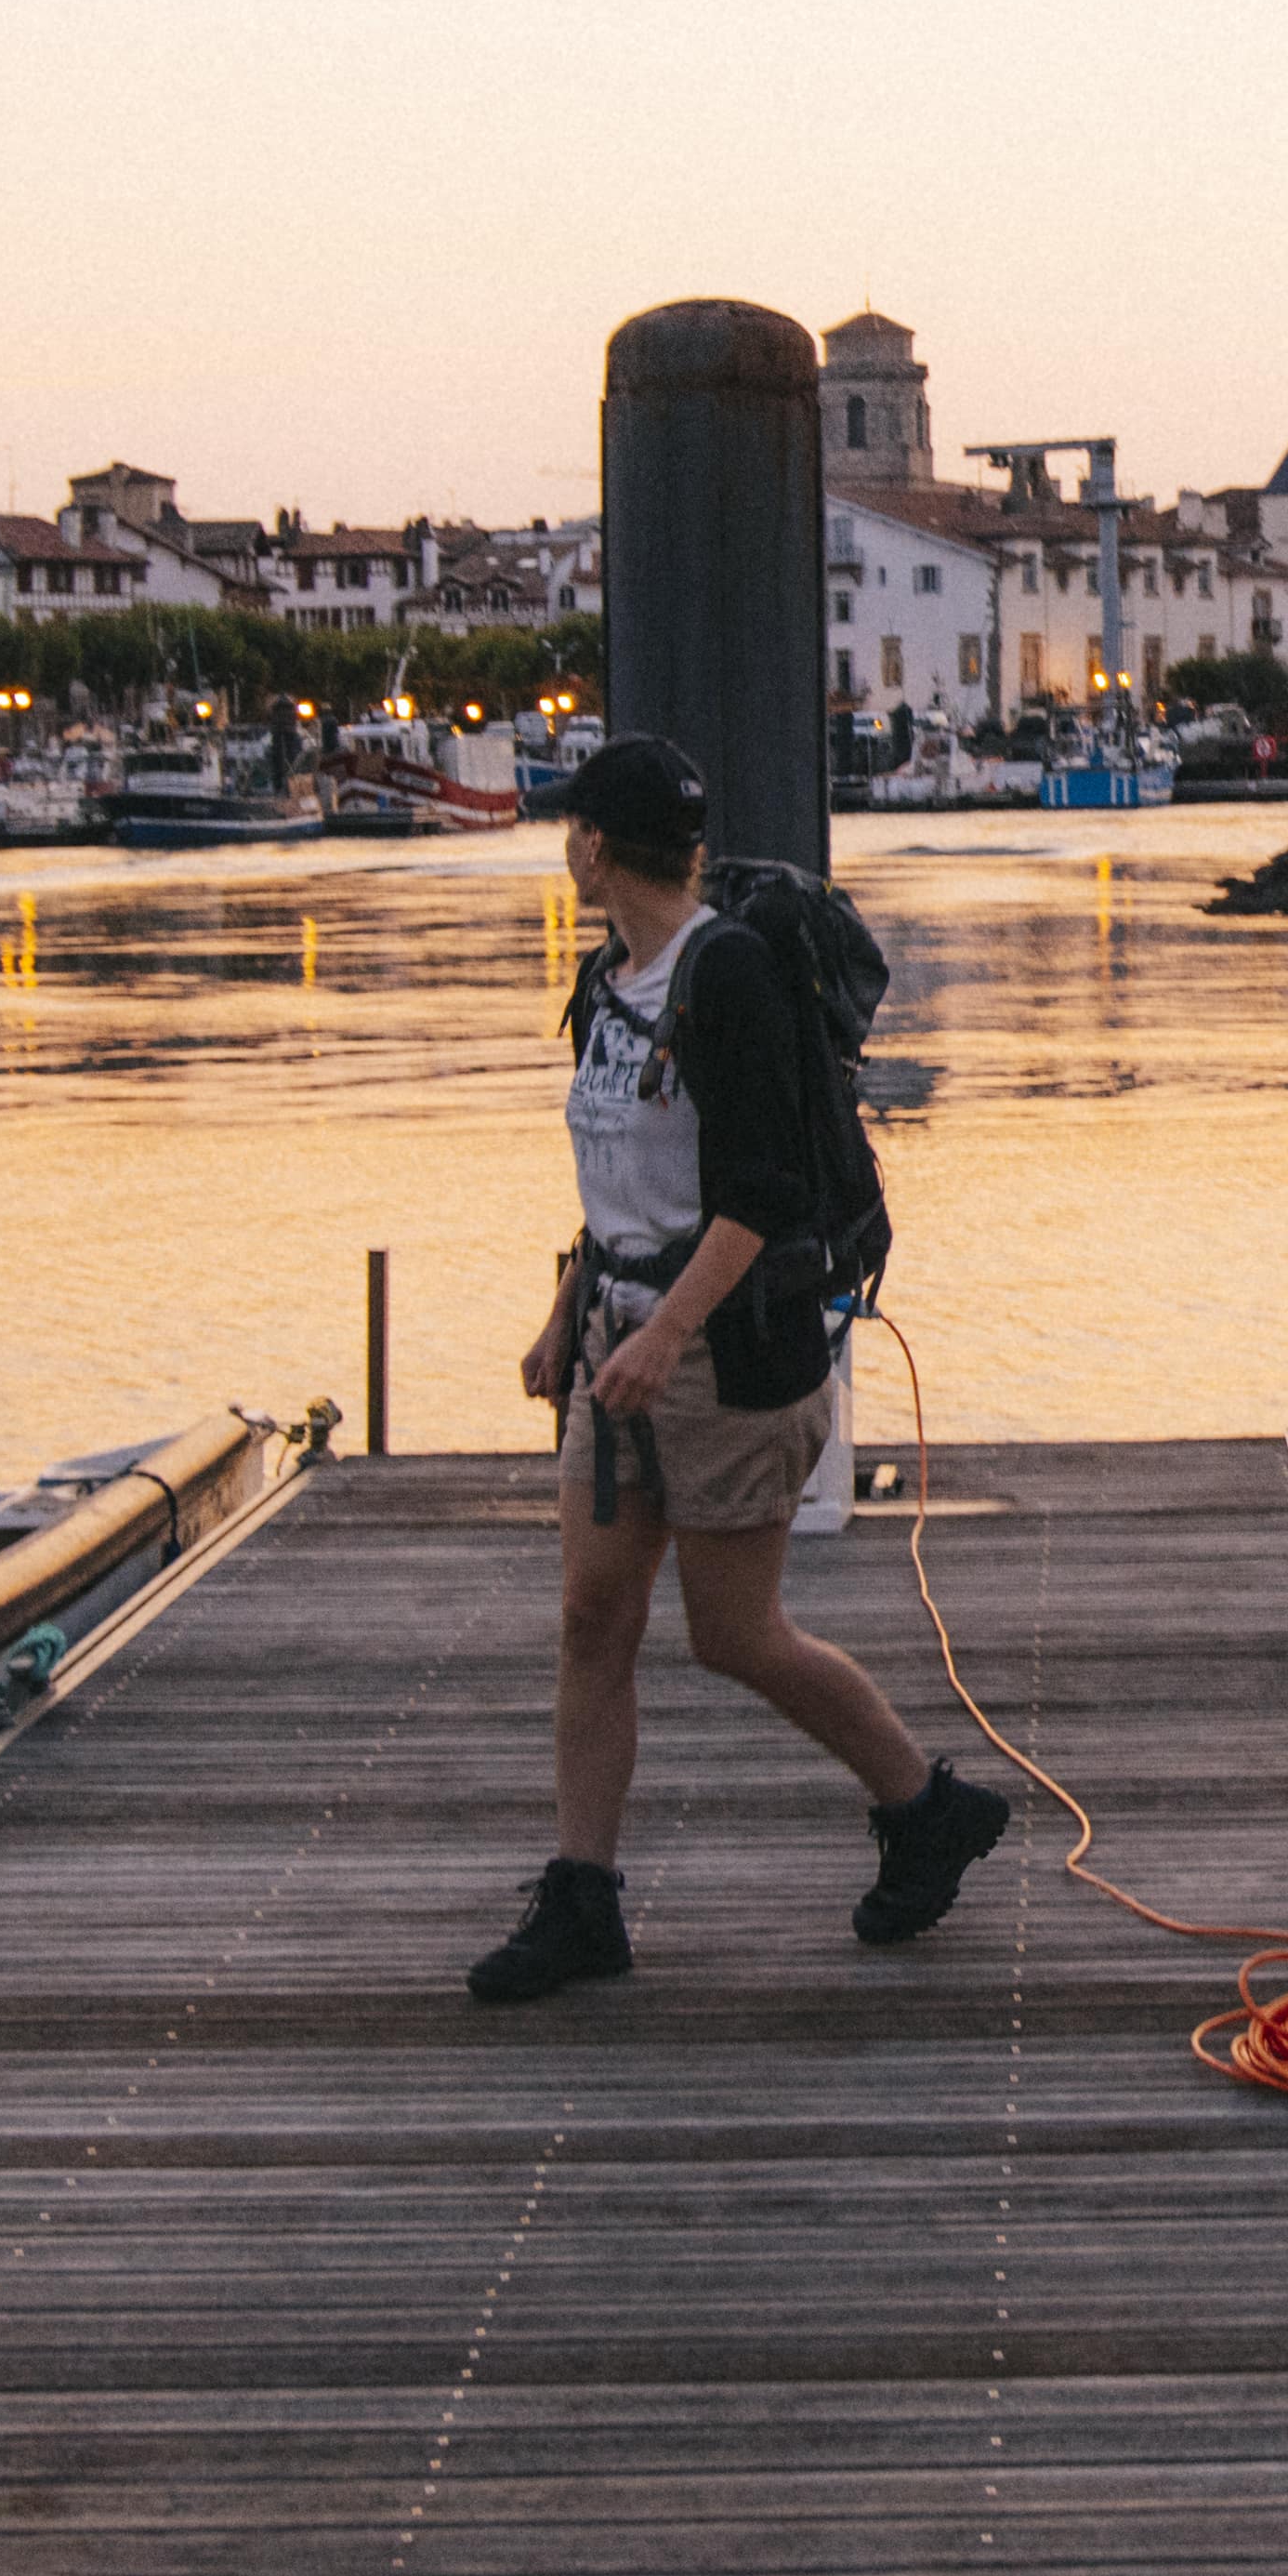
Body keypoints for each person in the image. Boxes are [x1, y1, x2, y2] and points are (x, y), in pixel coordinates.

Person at [473, 733, 1005, 2001]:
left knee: (735, 1634)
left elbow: (762, 1193)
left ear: (599, 847)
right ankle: (583, 1897)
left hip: (726, 1355)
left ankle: (925, 1805)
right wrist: (572, 1311)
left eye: (572, 829)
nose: (564, 845)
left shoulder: (734, 978)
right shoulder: (607, 982)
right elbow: (618, 1183)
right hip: (618, 1343)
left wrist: (666, 1335)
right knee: (590, 1617)